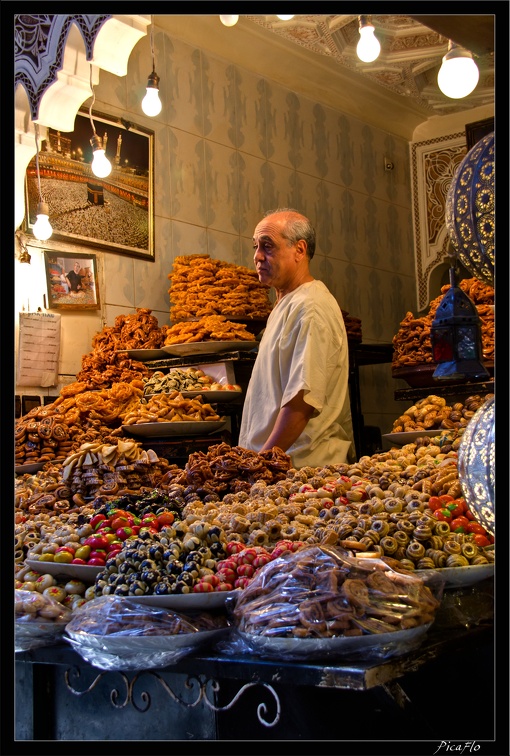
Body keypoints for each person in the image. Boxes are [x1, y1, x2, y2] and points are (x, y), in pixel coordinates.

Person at [239, 208, 355, 469]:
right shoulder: (287, 303)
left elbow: (301, 401)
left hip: (301, 470)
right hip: (277, 466)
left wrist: (260, 467)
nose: (257, 256)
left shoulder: (310, 307)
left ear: (299, 250)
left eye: (267, 246)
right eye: (256, 246)